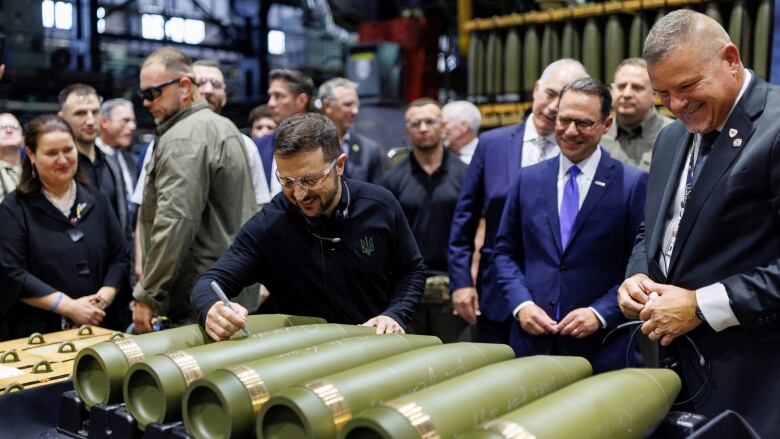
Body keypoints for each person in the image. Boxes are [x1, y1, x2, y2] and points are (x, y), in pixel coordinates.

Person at [617, 11, 780, 436]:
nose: (675, 105)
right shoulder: (672, 137)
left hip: (756, 381)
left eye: (687, 87)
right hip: (673, 373)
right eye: (662, 94)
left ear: (730, 59)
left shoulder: (776, 127)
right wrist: (637, 274)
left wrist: (701, 305)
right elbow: (653, 229)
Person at [191, 113, 425, 341]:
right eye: (287, 182)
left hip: (380, 345)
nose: (300, 194)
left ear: (339, 165)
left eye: (310, 180)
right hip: (307, 358)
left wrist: (394, 314)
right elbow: (208, 283)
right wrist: (212, 308)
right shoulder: (270, 226)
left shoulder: (380, 206)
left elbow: (412, 270)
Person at [494, 78, 646, 371]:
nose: (570, 131)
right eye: (564, 120)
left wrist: (600, 313)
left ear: (606, 124)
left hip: (602, 348)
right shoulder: (528, 179)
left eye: (584, 123)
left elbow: (639, 264)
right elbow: (504, 251)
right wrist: (521, 304)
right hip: (532, 345)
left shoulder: (631, 184)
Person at [448, 59, 588, 345]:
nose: (553, 106)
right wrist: (461, 282)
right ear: (536, 89)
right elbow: (464, 220)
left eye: (563, 99)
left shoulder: (583, 150)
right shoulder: (492, 145)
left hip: (562, 300)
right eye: (550, 94)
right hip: (497, 296)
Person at [132, 47, 256, 333]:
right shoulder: (223, 127)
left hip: (199, 298)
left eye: (153, 93)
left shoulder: (183, 139)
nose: (147, 103)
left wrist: (147, 293)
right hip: (229, 288)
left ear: (185, 87)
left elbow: (176, 221)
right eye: (143, 95)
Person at [0, 115, 128, 339]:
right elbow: (12, 272)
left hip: (102, 324)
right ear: (31, 155)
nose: (62, 159)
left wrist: (102, 299)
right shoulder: (14, 208)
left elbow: (120, 257)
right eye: (51, 153)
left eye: (68, 150)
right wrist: (68, 307)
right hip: (38, 333)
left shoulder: (97, 200)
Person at [380, 98, 469, 342]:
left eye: (430, 121)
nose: (423, 128)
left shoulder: (466, 175)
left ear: (443, 126)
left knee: (456, 362)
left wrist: (469, 282)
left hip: (455, 285)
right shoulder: (391, 181)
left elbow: (475, 232)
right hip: (407, 286)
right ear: (407, 131)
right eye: (415, 123)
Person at [193, 59, 272, 207]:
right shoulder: (164, 143)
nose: (208, 90)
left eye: (216, 84)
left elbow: (259, 205)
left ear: (224, 97)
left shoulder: (245, 146)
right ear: (186, 90)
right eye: (200, 83)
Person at [58, 84, 129, 236]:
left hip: (114, 257)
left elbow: (122, 221)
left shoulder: (112, 163)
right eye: (80, 113)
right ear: (62, 119)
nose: (90, 120)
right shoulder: (58, 166)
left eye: (95, 112)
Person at [601, 58, 672, 171]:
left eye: (637, 87)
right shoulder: (599, 136)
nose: (627, 94)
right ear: (612, 91)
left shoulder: (674, 136)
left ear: (654, 94)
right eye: (621, 86)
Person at [254, 69, 315, 196]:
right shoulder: (257, 146)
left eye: (278, 96)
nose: (270, 103)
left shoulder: (323, 146)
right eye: (270, 96)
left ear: (301, 100)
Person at [319, 77, 384, 183]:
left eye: (356, 104)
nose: (355, 111)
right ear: (327, 106)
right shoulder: (308, 146)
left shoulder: (370, 150)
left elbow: (377, 193)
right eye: (348, 104)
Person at [96, 98, 138, 217]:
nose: (132, 126)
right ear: (105, 122)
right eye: (125, 120)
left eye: (133, 121)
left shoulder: (133, 161)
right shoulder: (90, 160)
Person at [0, 113, 23, 201]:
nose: (9, 130)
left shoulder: (35, 169)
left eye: (14, 127)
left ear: (22, 136)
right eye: (2, 127)